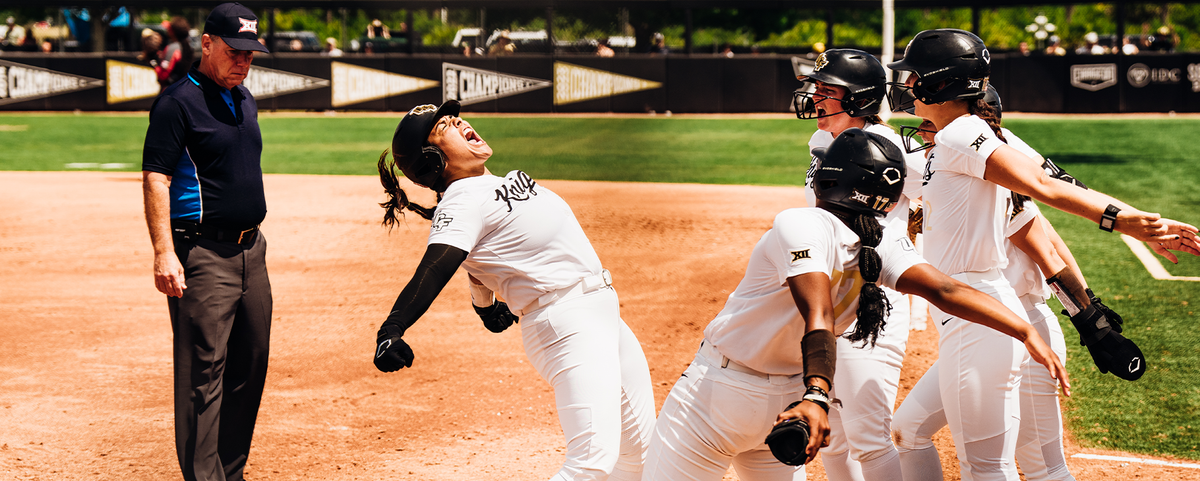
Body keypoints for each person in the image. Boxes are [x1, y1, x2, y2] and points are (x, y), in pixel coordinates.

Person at [641, 128, 1068, 481]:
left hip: (728, 397)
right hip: (789, 406)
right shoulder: (883, 242)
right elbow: (947, 291)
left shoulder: (801, 222)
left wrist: (816, 395)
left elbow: (818, 314)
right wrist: (1025, 328)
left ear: (829, 178)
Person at [885, 28, 1197, 481]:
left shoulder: (961, 134)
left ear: (939, 83)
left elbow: (1044, 188)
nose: (907, 85)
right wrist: (1135, 222)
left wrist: (1124, 221)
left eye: (914, 76)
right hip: (980, 311)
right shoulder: (956, 140)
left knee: (986, 468)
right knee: (999, 461)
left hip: (978, 312)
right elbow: (1059, 182)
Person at [372, 100, 656, 481]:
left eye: (453, 117)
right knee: (591, 461)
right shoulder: (460, 203)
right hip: (567, 324)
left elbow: (480, 259)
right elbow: (435, 267)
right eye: (444, 127)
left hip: (601, 314)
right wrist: (391, 329)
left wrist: (485, 307)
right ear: (432, 159)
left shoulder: (487, 186)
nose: (457, 120)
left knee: (639, 453)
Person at [140, 4, 271, 481]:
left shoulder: (244, 97)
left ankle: (228, 474)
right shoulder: (178, 102)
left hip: (251, 253)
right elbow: (156, 177)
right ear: (208, 43)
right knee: (203, 379)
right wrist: (163, 252)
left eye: (251, 55)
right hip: (202, 256)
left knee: (250, 366)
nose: (243, 62)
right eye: (235, 51)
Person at [791, 48, 928, 481]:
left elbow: (941, 191)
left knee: (869, 436)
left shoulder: (896, 150)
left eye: (826, 91)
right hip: (829, 290)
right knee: (834, 438)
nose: (815, 98)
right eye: (816, 89)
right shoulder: (821, 140)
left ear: (858, 99)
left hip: (873, 293)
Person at [156, 16, 195, 90]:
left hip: (171, 91)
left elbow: (163, 75)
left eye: (169, 28)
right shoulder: (188, 47)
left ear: (172, 31)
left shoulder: (172, 48)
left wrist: (155, 66)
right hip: (184, 89)